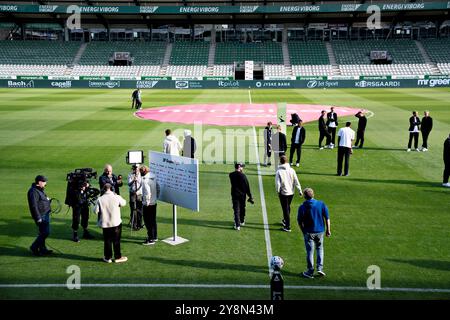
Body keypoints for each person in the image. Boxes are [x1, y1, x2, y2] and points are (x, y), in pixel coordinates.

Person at [297, 188, 331, 278]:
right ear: (313, 194)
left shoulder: (302, 206)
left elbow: (299, 221)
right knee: (320, 249)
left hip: (308, 232)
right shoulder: (321, 204)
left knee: (310, 252)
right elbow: (327, 218)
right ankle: (320, 268)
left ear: (304, 196)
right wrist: (328, 230)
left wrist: (303, 231)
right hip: (320, 231)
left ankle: (310, 271)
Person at [94, 183, 127, 263]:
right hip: (116, 223)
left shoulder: (100, 199)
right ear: (111, 188)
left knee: (107, 241)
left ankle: (107, 257)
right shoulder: (116, 196)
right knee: (116, 241)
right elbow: (124, 203)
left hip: (106, 224)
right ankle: (117, 257)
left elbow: (95, 211)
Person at [27, 175, 53, 256]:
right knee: (45, 232)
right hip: (41, 215)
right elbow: (33, 206)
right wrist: (38, 218)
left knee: (42, 233)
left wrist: (47, 200)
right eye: (44, 182)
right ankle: (34, 247)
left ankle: (43, 249)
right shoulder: (33, 191)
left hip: (45, 213)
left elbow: (41, 201)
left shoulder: (39, 189)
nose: (46, 183)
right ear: (40, 182)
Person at [276, 155, 302, 232]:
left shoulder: (279, 171)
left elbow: (277, 183)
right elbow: (296, 180)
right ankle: (285, 220)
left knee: (285, 209)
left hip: (283, 193)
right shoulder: (292, 170)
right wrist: (299, 190)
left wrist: (277, 191)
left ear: (280, 161)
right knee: (288, 206)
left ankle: (288, 226)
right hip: (291, 192)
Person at [229, 162, 254, 230]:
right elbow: (247, 186)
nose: (243, 168)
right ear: (239, 167)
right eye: (242, 167)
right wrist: (250, 196)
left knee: (236, 210)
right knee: (242, 208)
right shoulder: (243, 176)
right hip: (242, 195)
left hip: (234, 194)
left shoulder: (231, 175)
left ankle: (237, 225)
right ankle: (242, 221)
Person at [140, 165, 160, 245]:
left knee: (148, 222)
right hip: (154, 202)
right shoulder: (154, 176)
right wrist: (156, 197)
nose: (140, 173)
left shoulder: (145, 180)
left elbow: (147, 192)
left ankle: (150, 239)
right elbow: (158, 187)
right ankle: (154, 237)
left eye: (141, 171)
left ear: (144, 171)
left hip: (148, 204)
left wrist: (147, 202)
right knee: (153, 221)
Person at [127, 164, 143, 231]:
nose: (136, 170)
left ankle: (139, 223)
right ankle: (134, 224)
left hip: (139, 193)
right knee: (133, 208)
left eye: (137, 168)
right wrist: (133, 180)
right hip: (132, 193)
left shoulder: (142, 175)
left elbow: (142, 183)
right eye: (134, 168)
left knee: (139, 209)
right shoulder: (130, 175)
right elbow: (129, 184)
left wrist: (137, 180)